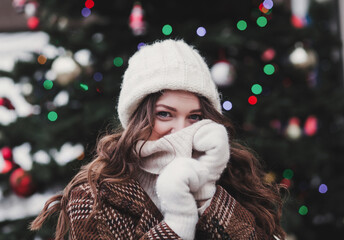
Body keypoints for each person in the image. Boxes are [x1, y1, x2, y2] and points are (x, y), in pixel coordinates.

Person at [31, 39, 286, 240]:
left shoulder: (231, 176)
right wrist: (178, 223)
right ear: (138, 118)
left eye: (194, 117)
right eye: (165, 114)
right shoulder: (95, 195)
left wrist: (207, 194)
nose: (180, 130)